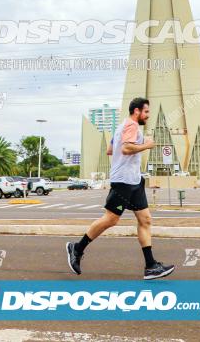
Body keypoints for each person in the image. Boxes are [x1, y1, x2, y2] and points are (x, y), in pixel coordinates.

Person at [66, 97, 175, 280]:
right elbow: (125, 149)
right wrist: (146, 145)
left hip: (134, 180)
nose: (148, 115)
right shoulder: (131, 126)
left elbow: (111, 150)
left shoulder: (122, 127)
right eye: (146, 112)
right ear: (137, 111)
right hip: (123, 182)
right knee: (111, 219)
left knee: (145, 219)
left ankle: (150, 266)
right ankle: (76, 248)